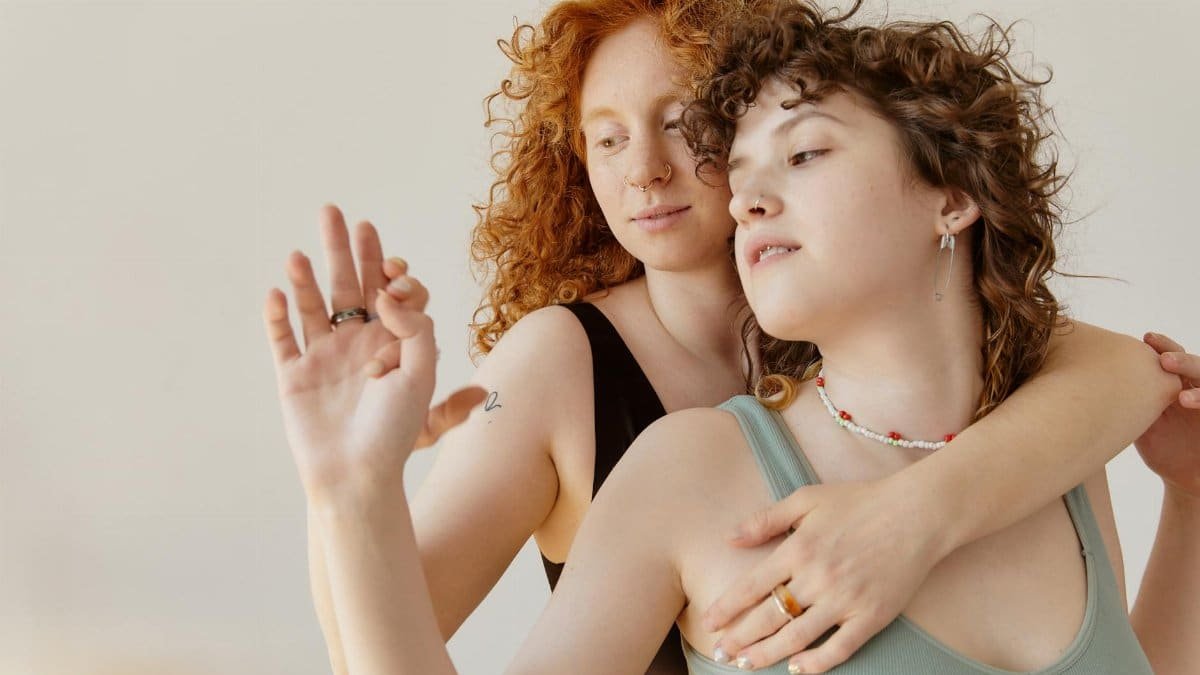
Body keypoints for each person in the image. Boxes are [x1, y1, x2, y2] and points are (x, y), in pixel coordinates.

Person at [262, 1, 1199, 672]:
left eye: (799, 152)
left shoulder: (1044, 435)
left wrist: (1192, 502)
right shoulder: (666, 445)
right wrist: (347, 491)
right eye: (607, 139)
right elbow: (368, 633)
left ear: (952, 197)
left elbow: (1125, 369)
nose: (653, 173)